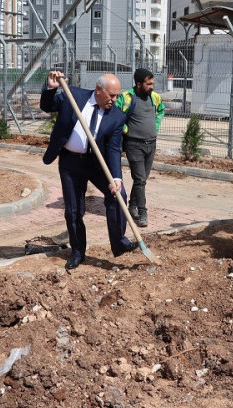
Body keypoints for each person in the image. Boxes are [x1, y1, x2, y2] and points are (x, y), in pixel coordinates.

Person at [40, 70, 137, 270]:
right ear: (98, 89)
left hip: (96, 163)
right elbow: (47, 106)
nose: (115, 100)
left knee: (119, 195)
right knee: (74, 211)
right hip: (70, 163)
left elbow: (113, 148)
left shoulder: (116, 117)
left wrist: (116, 177)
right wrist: (51, 88)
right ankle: (78, 252)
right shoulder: (73, 95)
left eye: (117, 95)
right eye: (111, 95)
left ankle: (119, 242)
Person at [115, 68, 165, 227]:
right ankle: (142, 212)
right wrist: (124, 129)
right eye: (148, 84)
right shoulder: (127, 97)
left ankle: (131, 206)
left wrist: (155, 126)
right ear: (138, 84)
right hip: (134, 144)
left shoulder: (155, 97)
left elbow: (161, 112)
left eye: (152, 84)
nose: (152, 86)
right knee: (140, 179)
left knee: (141, 180)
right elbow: (115, 115)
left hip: (151, 144)